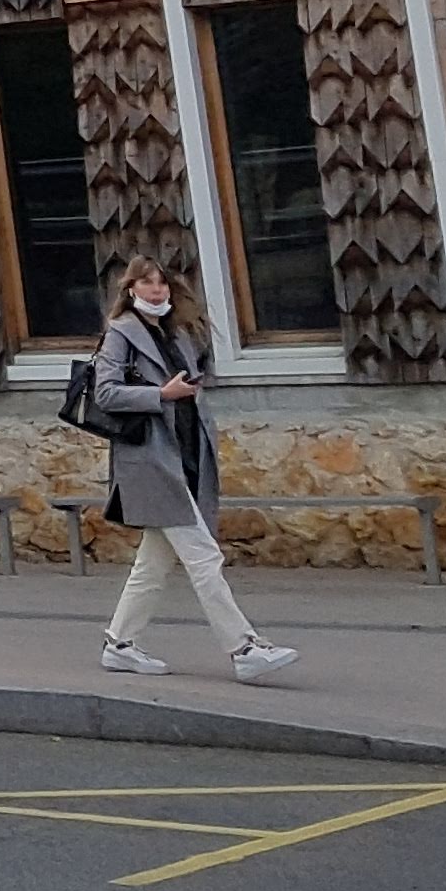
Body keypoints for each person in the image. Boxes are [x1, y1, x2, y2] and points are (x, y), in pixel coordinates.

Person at [91, 255, 298, 683]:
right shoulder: (121, 334)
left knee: (152, 565)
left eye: (161, 283)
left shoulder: (177, 334)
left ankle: (119, 644)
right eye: (147, 284)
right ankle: (243, 648)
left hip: (184, 456)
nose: (157, 290)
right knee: (205, 557)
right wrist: (160, 394)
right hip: (150, 462)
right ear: (131, 290)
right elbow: (106, 393)